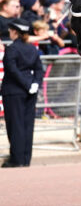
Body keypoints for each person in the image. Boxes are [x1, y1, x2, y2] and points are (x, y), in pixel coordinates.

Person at [1, 19, 44, 167]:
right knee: (27, 125)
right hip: (29, 91)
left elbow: (12, 70)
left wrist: (28, 84)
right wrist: (34, 84)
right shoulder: (32, 48)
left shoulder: (12, 48)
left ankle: (16, 159)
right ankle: (25, 159)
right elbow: (39, 69)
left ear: (15, 32)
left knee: (16, 126)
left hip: (14, 91)